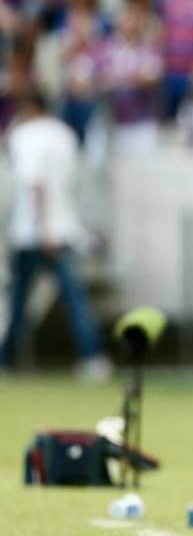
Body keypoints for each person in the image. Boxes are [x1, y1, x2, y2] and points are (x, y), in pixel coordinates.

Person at [0, 92, 110, 382]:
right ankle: (93, 357)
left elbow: (36, 183)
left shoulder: (26, 135)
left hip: (34, 231)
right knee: (73, 300)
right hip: (65, 227)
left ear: (29, 107)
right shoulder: (65, 135)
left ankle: (5, 359)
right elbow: (75, 184)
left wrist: (43, 228)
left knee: (20, 302)